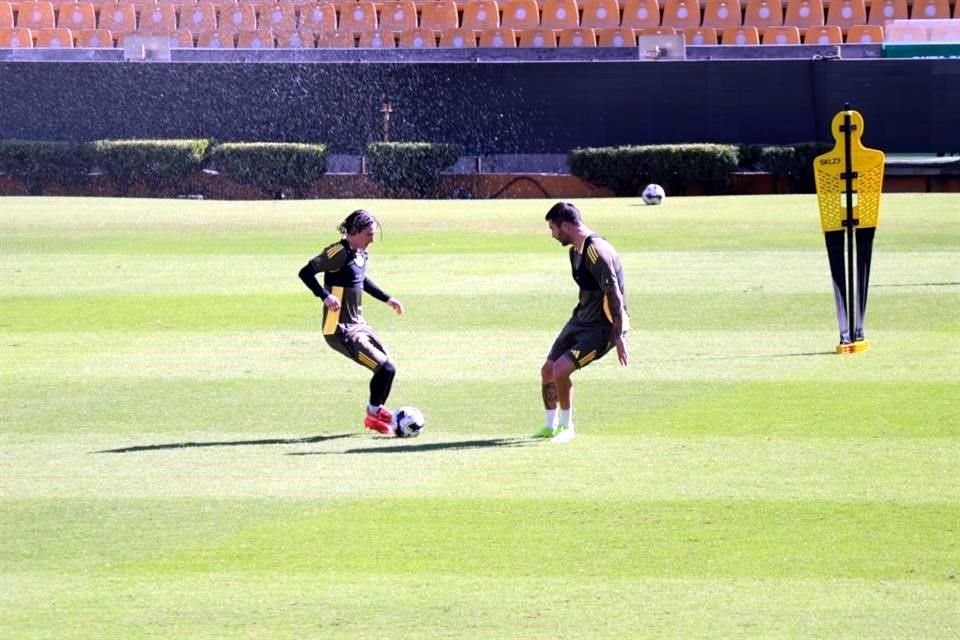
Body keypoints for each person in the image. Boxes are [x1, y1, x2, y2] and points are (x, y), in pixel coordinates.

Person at [298, 209, 405, 436]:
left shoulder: (360, 253)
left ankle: (376, 410)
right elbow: (305, 272)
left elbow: (360, 279)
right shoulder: (337, 252)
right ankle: (373, 414)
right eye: (368, 234)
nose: (372, 240)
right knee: (384, 368)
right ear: (354, 232)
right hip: (340, 329)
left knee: (388, 369)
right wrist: (325, 296)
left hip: (359, 324)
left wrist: (387, 298)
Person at [534, 202, 629, 443]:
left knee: (560, 370)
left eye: (553, 228)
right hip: (580, 319)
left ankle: (567, 427)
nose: (552, 234)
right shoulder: (574, 251)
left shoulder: (596, 251)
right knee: (547, 370)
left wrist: (618, 336)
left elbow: (614, 293)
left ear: (565, 226)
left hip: (602, 328)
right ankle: (550, 426)